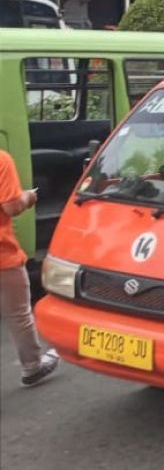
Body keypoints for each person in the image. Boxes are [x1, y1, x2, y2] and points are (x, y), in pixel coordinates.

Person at [0, 150, 59, 387]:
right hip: (3, 256)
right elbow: (11, 207)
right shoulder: (2, 160)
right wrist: (28, 197)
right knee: (19, 313)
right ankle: (32, 366)